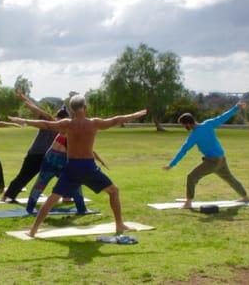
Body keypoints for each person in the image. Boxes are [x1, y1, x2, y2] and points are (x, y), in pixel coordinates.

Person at [9, 94, 147, 236]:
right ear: (85, 107)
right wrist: (135, 114)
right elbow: (116, 120)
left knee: (52, 199)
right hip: (88, 167)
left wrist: (23, 120)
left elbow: (46, 124)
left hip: (71, 168)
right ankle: (119, 224)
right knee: (114, 191)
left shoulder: (67, 124)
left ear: (71, 109)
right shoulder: (94, 123)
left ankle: (33, 231)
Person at [163, 102, 249, 209]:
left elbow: (183, 150)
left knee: (191, 177)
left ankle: (188, 203)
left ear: (188, 124)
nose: (184, 127)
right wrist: (236, 107)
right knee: (230, 179)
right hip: (221, 159)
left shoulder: (194, 135)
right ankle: (245, 197)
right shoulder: (208, 124)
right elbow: (222, 117)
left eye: (183, 125)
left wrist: (171, 164)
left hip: (212, 161)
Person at [1, 91, 66, 202]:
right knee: (24, 176)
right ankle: (6, 196)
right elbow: (35, 108)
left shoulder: (63, 128)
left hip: (47, 157)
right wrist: (24, 99)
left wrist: (24, 99)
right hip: (35, 154)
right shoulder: (49, 121)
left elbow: (35, 108)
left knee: (64, 174)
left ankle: (67, 195)